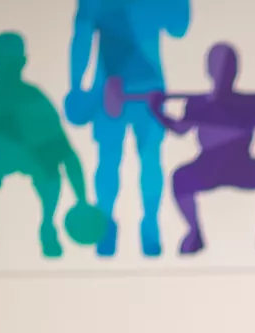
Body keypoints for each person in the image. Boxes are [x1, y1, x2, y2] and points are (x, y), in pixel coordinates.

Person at [0, 31, 100, 260]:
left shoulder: (35, 100)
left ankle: (47, 226)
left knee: (50, 168)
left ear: (22, 62)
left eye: (13, 61)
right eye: (7, 60)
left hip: (31, 155)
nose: (11, 66)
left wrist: (82, 199)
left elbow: (65, 154)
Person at [150, 42, 255, 255]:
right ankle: (194, 232)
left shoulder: (250, 102)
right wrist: (156, 111)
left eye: (228, 67)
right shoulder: (198, 104)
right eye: (219, 67)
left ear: (235, 71)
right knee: (180, 178)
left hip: (240, 165)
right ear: (209, 70)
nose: (224, 73)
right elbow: (179, 129)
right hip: (207, 167)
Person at [65, 0, 188, 258]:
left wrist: (77, 86)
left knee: (147, 160)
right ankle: (108, 223)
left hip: (145, 89)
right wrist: (76, 85)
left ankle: (149, 225)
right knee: (112, 160)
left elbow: (179, 26)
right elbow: (82, 37)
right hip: (111, 90)